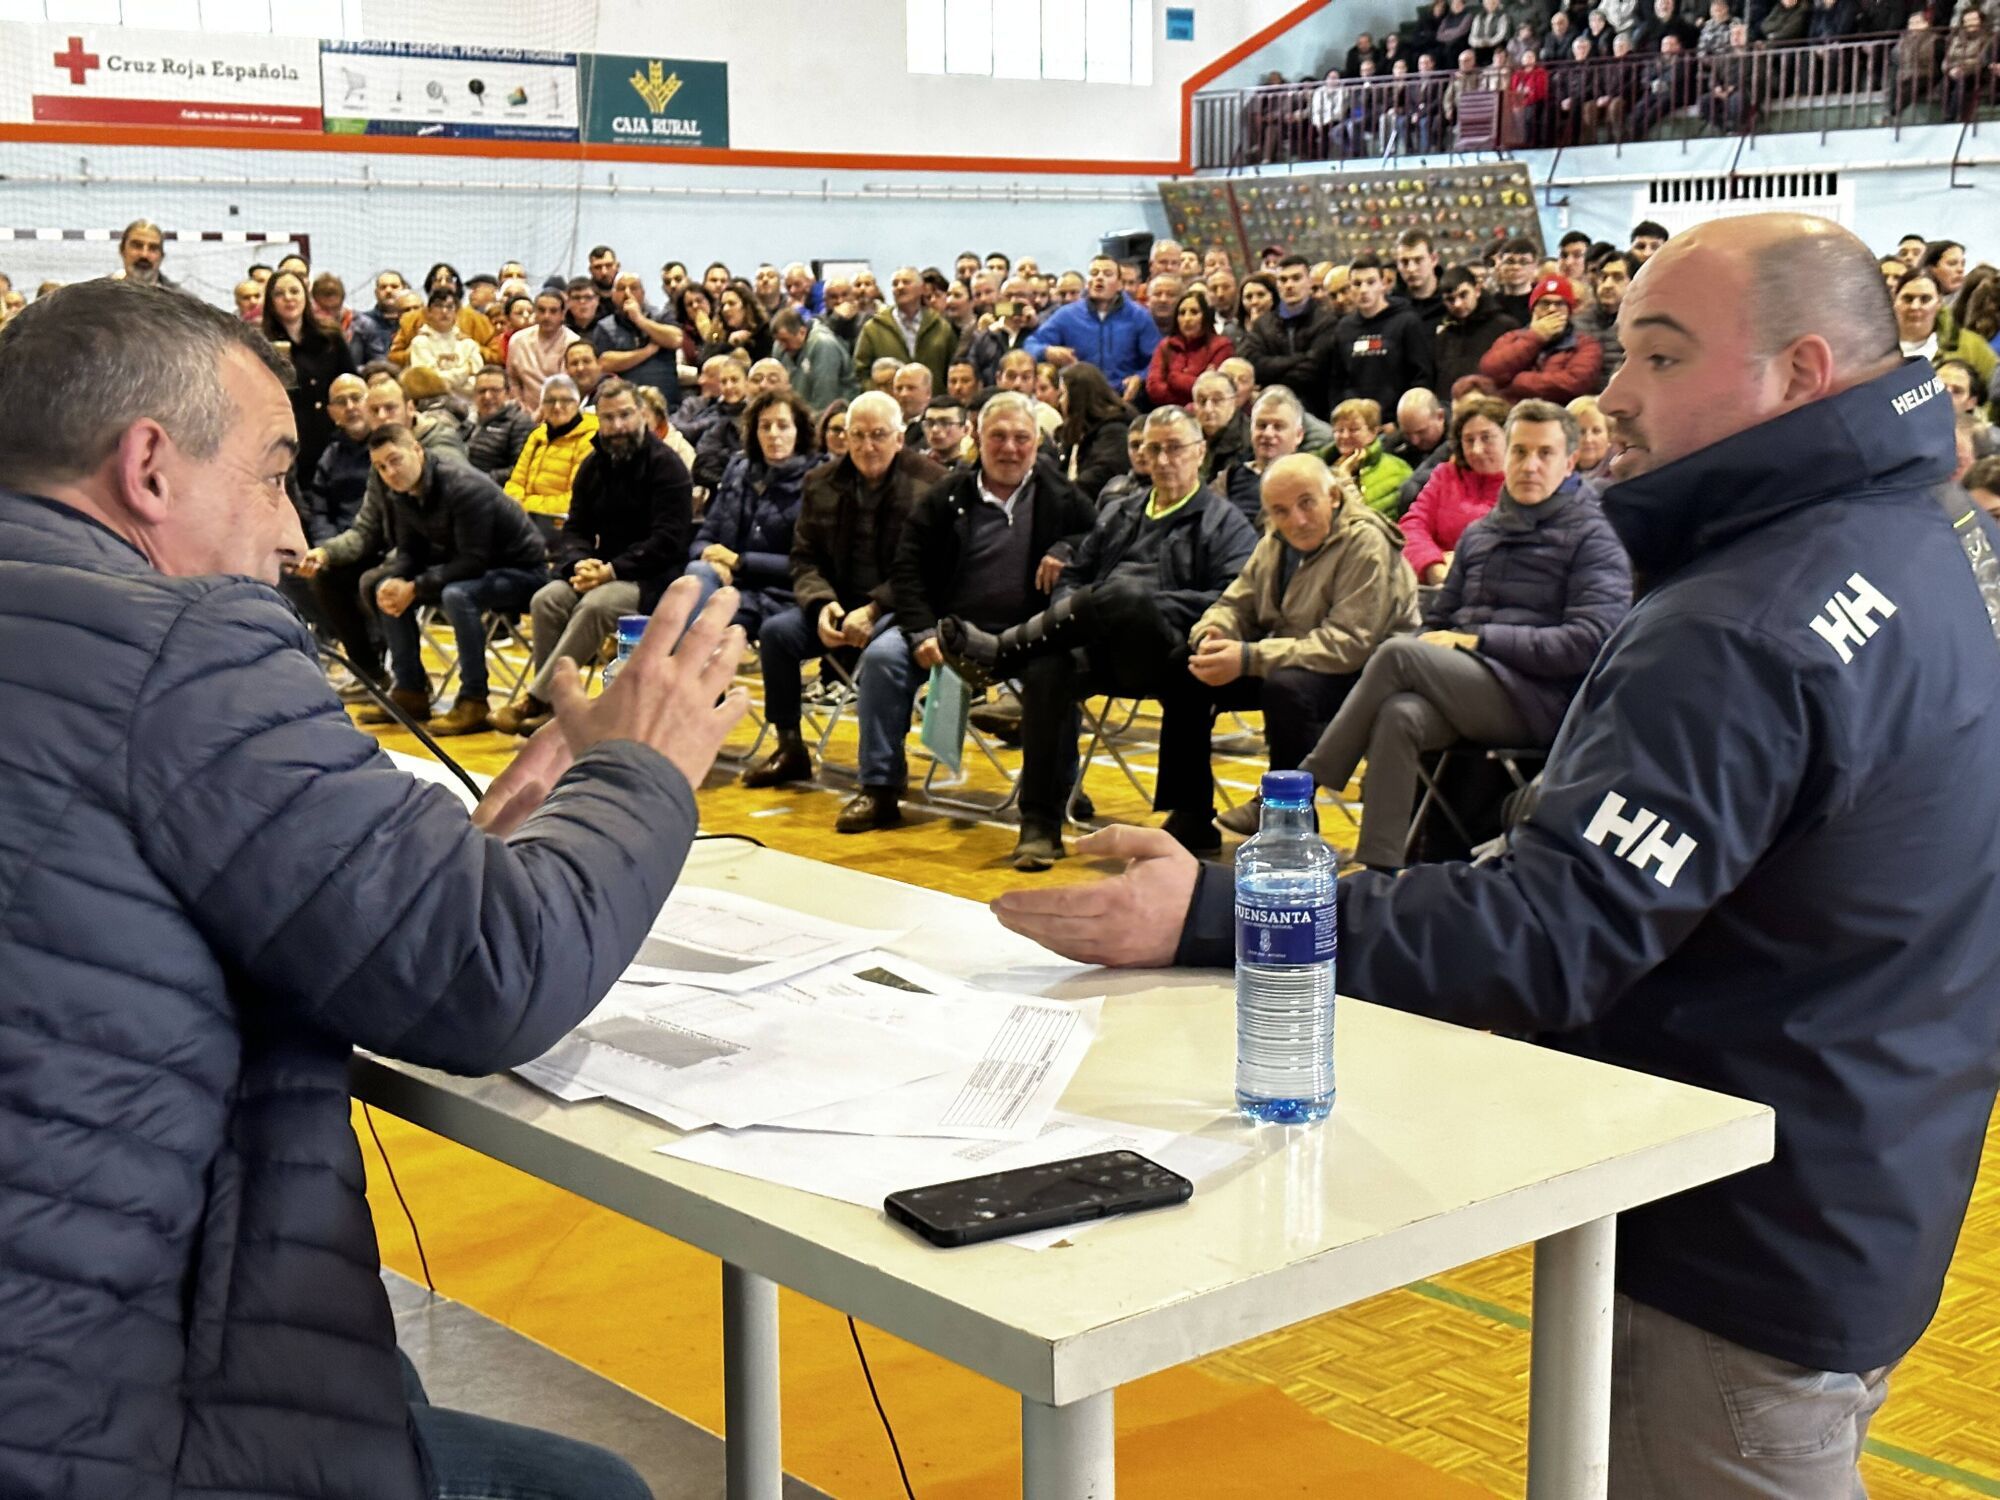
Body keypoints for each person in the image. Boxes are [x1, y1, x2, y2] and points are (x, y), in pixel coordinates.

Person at [995, 213, 2000, 1500]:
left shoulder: (1743, 624)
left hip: (1740, 1237)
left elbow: (1544, 938)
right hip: (1873, 1163)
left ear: (1797, 373)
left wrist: (1223, 910)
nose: (1606, 396)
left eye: (1655, 356)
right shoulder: (1932, 535)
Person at [0, 276, 758, 1500]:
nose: (295, 533)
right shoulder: (177, 643)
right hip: (94, 1400)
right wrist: (642, 767)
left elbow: (120, 901)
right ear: (148, 467)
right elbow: (494, 977)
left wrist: (466, 852)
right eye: (268, 473)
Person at [1281, 399, 1630, 866]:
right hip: (1471, 685)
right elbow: (1440, 620)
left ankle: (1302, 788)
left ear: (1570, 462)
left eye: (1545, 454)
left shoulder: (1596, 537)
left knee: (1397, 655)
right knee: (1400, 714)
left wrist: (1479, 640)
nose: (1530, 465)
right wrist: (1447, 641)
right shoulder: (1480, 534)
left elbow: (1589, 643)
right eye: (1520, 451)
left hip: (1543, 700)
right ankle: (1380, 868)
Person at [937, 406, 1260, 867]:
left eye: (1175, 449)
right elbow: (1075, 574)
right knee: (1048, 663)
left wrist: (1134, 604)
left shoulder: (1225, 523)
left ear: (1200, 452)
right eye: (1154, 449)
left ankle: (1000, 654)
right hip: (1102, 646)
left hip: (1172, 653)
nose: (1164, 459)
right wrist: (1081, 615)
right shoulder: (1123, 509)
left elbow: (1230, 600)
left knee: (1125, 594)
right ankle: (1040, 824)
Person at [1163, 454, 1421, 850]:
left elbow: (1347, 645)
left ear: (1332, 496)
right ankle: (1190, 813)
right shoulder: (1275, 541)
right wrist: (1213, 634)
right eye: (1280, 511)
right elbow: (1236, 603)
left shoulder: (1365, 542)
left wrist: (1249, 657)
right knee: (1187, 667)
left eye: (1306, 503)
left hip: (1367, 673)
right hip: (1294, 654)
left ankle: (1289, 818)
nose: (1296, 520)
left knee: (1287, 688)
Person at [882, 393, 1098, 847]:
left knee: (1055, 672)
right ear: (976, 439)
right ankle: (878, 787)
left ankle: (1057, 794)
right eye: (998, 436)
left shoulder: (1062, 497)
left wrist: (1067, 549)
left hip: (1031, 637)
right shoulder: (945, 496)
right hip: (952, 632)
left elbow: (1098, 541)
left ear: (1037, 443)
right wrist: (920, 629)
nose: (1009, 448)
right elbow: (907, 567)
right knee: (884, 659)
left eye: (1021, 438)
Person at [738, 391, 945, 804]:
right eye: (858, 435)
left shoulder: (934, 484)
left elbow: (929, 566)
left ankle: (881, 782)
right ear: (845, 438)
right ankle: (790, 745)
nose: (868, 446)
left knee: (883, 656)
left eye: (879, 435)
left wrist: (872, 610)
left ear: (900, 438)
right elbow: (804, 557)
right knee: (778, 633)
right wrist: (820, 604)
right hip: (838, 603)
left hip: (903, 606)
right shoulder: (821, 482)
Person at [493, 379, 693, 736]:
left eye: (626, 416)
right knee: (547, 599)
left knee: (597, 605)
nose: (618, 426)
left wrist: (612, 570)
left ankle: (539, 699)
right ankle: (555, 711)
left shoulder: (668, 466)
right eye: (608, 418)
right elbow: (575, 529)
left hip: (653, 576)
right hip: (600, 568)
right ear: (597, 420)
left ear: (642, 416)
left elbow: (669, 540)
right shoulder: (592, 466)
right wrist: (578, 562)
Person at [365, 423, 551, 734]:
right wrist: (398, 581)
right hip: (470, 569)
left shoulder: (463, 486)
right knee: (382, 586)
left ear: (417, 450)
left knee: (457, 595)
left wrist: (416, 586)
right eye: (381, 467)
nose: (390, 472)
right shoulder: (401, 494)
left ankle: (474, 700)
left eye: (395, 460)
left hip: (523, 572)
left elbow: (474, 560)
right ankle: (410, 689)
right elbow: (410, 553)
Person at [684, 387, 820, 633]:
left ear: (799, 431)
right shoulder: (738, 470)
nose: (773, 434)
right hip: (726, 584)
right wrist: (711, 558)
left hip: (780, 594)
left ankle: (674, 666)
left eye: (783, 425)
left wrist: (740, 562)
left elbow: (810, 563)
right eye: (765, 426)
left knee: (699, 614)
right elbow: (704, 536)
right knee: (696, 575)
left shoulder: (817, 481)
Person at [1399, 392, 1512, 582]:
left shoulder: (1524, 485)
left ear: (1509, 437)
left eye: (1486, 438)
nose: (1476, 450)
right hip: (1434, 583)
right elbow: (1412, 525)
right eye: (1468, 440)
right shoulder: (1445, 475)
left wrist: (1460, 565)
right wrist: (1433, 566)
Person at [262, 267, 357, 488]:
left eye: (294, 291)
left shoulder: (330, 336)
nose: (288, 298)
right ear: (270, 301)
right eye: (279, 294)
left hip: (333, 437)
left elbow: (350, 379)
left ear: (306, 295)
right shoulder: (262, 344)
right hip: (291, 443)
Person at [1024, 255, 1162, 386]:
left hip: (1124, 398)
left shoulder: (1139, 316)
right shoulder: (1067, 315)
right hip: (1077, 398)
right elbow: (1031, 344)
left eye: (1107, 274)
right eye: (1094, 273)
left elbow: (1158, 361)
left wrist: (1140, 378)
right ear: (1087, 282)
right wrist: (1046, 351)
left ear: (1120, 284)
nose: (1099, 278)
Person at [1239, 255, 1343, 420]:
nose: (1289, 285)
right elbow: (1254, 366)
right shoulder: (1263, 325)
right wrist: (1299, 358)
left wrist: (1273, 371)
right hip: (1272, 413)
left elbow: (1313, 370)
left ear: (1309, 282)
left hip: (1317, 411)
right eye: (1283, 279)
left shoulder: (1327, 321)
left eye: (1296, 278)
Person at [1331, 253, 1437, 416]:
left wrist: (1399, 421)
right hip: (1358, 422)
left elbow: (1421, 377)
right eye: (1357, 284)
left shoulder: (1407, 322)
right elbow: (1337, 382)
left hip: (1396, 422)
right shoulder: (1344, 328)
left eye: (1371, 282)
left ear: (1383, 284)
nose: (1364, 290)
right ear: (1350, 288)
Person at [1478, 273, 1606, 401]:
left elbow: (1575, 383)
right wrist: (1536, 337)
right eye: (1545, 303)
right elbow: (1489, 371)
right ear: (1533, 309)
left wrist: (1517, 382)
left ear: (1569, 311)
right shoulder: (1512, 338)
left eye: (1560, 304)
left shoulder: (1585, 344)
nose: (1552, 309)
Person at [505, 376, 599, 536]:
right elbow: (516, 481)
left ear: (577, 404)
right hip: (525, 519)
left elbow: (575, 499)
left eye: (565, 401)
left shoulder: (589, 438)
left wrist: (525, 505)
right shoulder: (537, 435)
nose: (557, 407)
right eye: (550, 401)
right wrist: (514, 502)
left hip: (561, 524)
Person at [851, 267, 956, 390]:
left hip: (932, 403)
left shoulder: (941, 327)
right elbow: (860, 372)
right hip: (889, 406)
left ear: (921, 288)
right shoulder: (873, 328)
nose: (900, 287)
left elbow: (952, 369)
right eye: (895, 284)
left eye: (906, 282)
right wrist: (880, 392)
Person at [1434, 264, 1521, 397]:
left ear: (1477, 290)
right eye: (1450, 299)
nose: (1457, 304)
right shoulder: (1444, 335)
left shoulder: (1505, 326)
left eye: (1463, 295)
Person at [1319, 398, 1414, 515]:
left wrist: (1345, 478)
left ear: (1374, 431)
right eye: (1339, 430)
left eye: (1354, 429)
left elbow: (1367, 520)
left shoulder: (1398, 470)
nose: (1344, 436)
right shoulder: (1319, 466)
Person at [1057, 362, 1136, 501]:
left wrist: (1061, 496)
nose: (1060, 401)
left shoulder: (1115, 430)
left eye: (1063, 394)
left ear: (1078, 397)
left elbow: (1099, 477)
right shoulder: (1076, 433)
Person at [1145, 288, 1236, 407]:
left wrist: (1174, 379)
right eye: (1182, 313)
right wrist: (1193, 390)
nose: (1187, 319)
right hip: (1167, 413)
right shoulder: (1166, 345)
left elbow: (1211, 390)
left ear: (1206, 316)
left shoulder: (1222, 346)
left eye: (1194, 312)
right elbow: (1153, 388)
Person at [404, 285, 486, 396]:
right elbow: (425, 382)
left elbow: (477, 383)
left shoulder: (468, 344)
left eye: (449, 307)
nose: (444, 311)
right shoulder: (420, 343)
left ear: (456, 312)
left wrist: (441, 378)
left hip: (468, 404)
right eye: (438, 306)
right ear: (428, 312)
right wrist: (464, 372)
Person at [772, 306, 857, 411]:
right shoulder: (780, 347)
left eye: (785, 340)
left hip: (834, 414)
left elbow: (825, 400)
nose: (782, 347)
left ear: (802, 332)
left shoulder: (823, 345)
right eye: (778, 341)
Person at [506, 289, 580, 409]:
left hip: (562, 409)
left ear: (562, 314)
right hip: (523, 413)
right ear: (535, 312)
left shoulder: (573, 343)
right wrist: (522, 409)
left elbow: (567, 387)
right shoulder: (518, 340)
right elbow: (512, 380)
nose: (547, 316)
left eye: (553, 311)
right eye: (541, 310)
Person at [466, 362, 538, 483]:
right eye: (482, 391)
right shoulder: (468, 422)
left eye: (495, 390)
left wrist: (480, 479)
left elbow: (520, 469)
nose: (487, 396)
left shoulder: (519, 423)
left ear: (507, 393)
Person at [1573, 252, 1632, 381]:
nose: (1607, 285)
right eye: (1603, 277)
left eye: (1617, 277)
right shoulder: (1577, 321)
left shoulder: (1645, 324)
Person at [349, 268, 408, 365]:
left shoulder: (414, 321)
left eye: (394, 286)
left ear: (405, 290)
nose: (388, 291)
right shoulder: (362, 323)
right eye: (383, 287)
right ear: (376, 293)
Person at [114, 218, 173, 289]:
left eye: (153, 248)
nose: (144, 255)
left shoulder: (179, 298)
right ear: (122, 250)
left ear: (161, 256)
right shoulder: (101, 294)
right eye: (137, 246)